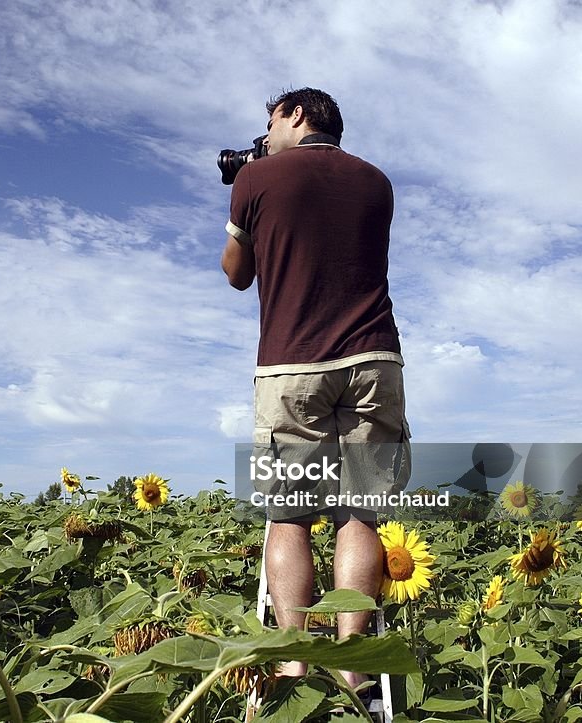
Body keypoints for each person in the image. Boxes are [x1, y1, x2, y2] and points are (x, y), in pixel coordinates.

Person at [221, 88, 410, 691]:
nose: (266, 132)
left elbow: (236, 273)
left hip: (293, 361)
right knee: (361, 515)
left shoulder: (257, 180)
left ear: (297, 114)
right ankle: (355, 670)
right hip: (375, 357)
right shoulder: (377, 181)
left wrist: (245, 188)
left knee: (291, 516)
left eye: (270, 120)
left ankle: (294, 664)